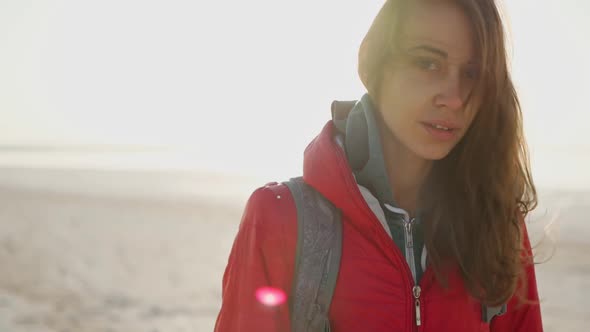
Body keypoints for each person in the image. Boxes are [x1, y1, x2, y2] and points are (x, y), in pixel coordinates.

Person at [215, 0, 542, 331]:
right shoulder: (280, 219)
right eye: (428, 63)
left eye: (472, 73)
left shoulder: (497, 227)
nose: (455, 98)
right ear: (371, 64)